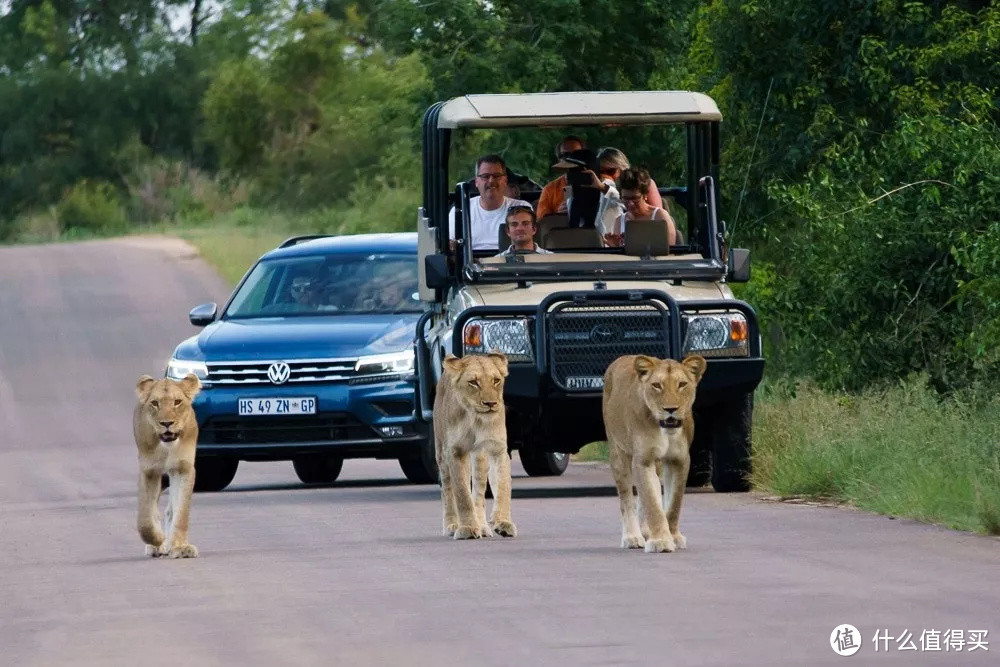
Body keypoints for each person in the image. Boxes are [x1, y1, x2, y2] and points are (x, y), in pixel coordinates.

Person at [536, 137, 663, 220]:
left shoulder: (609, 188)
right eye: (601, 171)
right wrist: (560, 214)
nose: (605, 176)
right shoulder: (552, 188)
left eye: (611, 171)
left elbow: (654, 215)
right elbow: (541, 222)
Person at [448, 155, 531, 251]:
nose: (491, 181)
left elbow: (528, 249)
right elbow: (450, 248)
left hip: (510, 264)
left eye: (496, 176)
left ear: (505, 181)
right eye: (485, 176)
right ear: (476, 182)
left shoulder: (522, 208)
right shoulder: (460, 210)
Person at [604, 168, 676, 248]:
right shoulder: (619, 221)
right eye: (626, 199)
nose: (631, 204)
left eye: (635, 199)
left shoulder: (660, 216)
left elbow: (670, 251)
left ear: (645, 195)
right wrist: (615, 246)